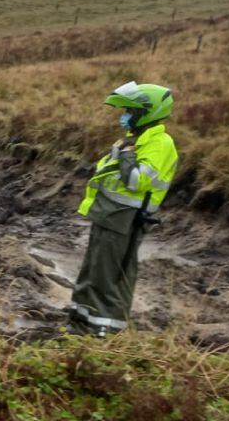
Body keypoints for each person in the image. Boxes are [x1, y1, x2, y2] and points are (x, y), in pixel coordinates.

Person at [67, 81, 178, 336]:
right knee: (92, 272)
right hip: (107, 215)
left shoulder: (160, 143)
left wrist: (126, 154)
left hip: (125, 220)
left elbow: (138, 180)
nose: (124, 117)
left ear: (146, 113)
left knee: (109, 279)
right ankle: (78, 323)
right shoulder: (135, 140)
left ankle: (103, 332)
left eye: (130, 111)